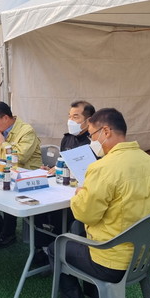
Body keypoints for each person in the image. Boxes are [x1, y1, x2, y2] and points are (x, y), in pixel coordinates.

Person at [50, 108, 150, 298]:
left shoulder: (103, 168)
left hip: (111, 260)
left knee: (55, 247)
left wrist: (79, 195)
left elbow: (85, 214)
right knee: (81, 236)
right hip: (141, 258)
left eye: (92, 134)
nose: (91, 140)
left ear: (105, 131)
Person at [34, 100, 96, 266]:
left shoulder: (94, 143)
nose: (70, 121)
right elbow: (61, 163)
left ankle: (55, 249)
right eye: (69, 116)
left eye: (76, 117)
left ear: (89, 120)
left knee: (60, 215)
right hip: (61, 186)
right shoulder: (67, 139)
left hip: (78, 193)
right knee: (37, 208)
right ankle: (42, 248)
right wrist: (52, 168)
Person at [0, 101, 42, 249]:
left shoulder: (26, 131)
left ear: (5, 118)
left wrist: (4, 143)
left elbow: (20, 157)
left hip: (27, 175)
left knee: (6, 192)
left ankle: (8, 234)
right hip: (8, 172)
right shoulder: (2, 131)